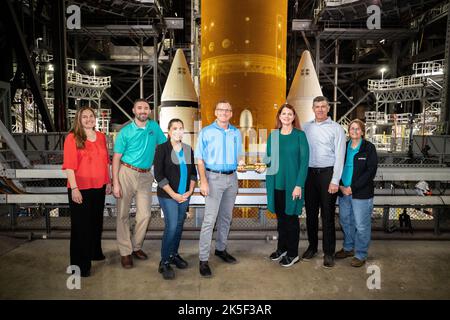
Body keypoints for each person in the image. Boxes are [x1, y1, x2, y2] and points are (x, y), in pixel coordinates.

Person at [112, 99, 166, 269]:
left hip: (145, 175)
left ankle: (136, 246)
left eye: (146, 108)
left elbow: (165, 147)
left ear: (149, 111)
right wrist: (115, 183)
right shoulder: (125, 132)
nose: (143, 110)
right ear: (134, 110)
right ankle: (125, 252)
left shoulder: (154, 128)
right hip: (126, 172)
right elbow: (116, 159)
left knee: (145, 215)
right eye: (139, 108)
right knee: (122, 214)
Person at [195, 100, 244, 277]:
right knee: (209, 220)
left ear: (231, 113)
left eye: (227, 110)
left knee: (226, 218)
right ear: (215, 112)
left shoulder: (236, 133)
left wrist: (241, 163)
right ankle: (203, 259)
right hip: (213, 178)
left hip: (232, 178)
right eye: (221, 109)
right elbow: (199, 158)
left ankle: (221, 249)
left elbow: (239, 155)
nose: (224, 112)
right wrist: (204, 181)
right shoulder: (206, 132)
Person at [256, 103, 309, 267]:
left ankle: (293, 253)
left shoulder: (300, 135)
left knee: (291, 220)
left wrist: (299, 184)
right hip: (277, 184)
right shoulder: (274, 136)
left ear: (294, 117)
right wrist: (260, 165)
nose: (286, 116)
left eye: (289, 114)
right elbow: (269, 158)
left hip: (293, 185)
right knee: (281, 220)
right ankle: (282, 248)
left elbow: (304, 162)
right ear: (279, 116)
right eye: (283, 114)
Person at [63, 106, 111, 277]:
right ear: (78, 119)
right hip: (80, 188)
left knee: (96, 223)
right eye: (85, 117)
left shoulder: (101, 137)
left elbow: (105, 162)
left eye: (91, 116)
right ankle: (80, 265)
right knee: (80, 228)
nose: (89, 119)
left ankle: (94, 252)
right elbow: (69, 166)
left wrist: (109, 181)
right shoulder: (72, 138)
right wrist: (74, 188)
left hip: (99, 186)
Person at [302, 96, 346, 268]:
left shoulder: (336, 129)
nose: (320, 109)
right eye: (316, 106)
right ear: (312, 109)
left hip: (328, 174)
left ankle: (328, 253)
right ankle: (312, 247)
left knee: (327, 216)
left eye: (323, 106)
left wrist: (335, 180)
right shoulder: (305, 127)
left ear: (328, 108)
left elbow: (340, 156)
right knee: (311, 214)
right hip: (309, 174)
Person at [153, 119, 197, 280]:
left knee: (179, 226)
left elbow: (193, 173)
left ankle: (173, 254)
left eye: (181, 128)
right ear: (169, 131)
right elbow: (159, 175)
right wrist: (174, 195)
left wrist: (190, 190)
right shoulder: (162, 149)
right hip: (168, 196)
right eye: (175, 128)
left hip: (184, 195)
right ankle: (164, 262)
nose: (178, 131)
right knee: (171, 227)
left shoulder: (187, 149)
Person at [336, 119, 378, 267]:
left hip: (361, 193)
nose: (354, 131)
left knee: (361, 225)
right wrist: (341, 185)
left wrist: (353, 188)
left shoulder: (369, 148)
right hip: (343, 192)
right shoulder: (344, 147)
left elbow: (370, 172)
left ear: (362, 131)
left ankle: (360, 254)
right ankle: (348, 248)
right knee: (345, 221)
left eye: (357, 129)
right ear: (348, 130)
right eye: (352, 128)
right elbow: (337, 167)